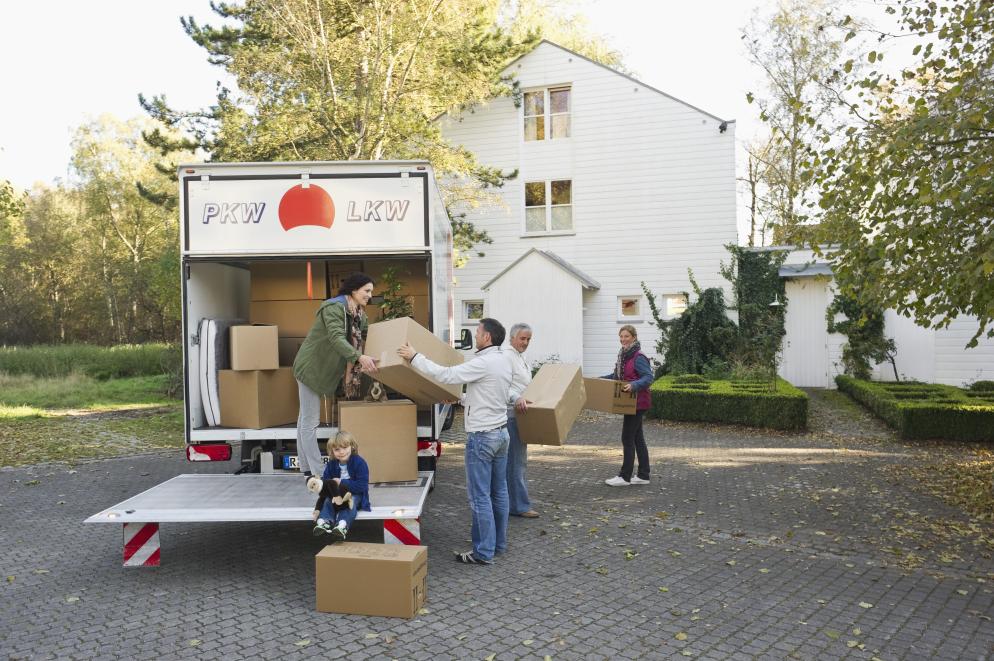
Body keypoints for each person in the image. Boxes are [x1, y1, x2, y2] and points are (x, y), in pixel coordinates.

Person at [397, 318, 512, 565]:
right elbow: (488, 393)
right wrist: (460, 400)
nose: (476, 335)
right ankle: (497, 544)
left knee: (479, 497)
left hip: (482, 437)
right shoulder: (504, 359)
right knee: (499, 492)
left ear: (487, 338)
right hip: (501, 433)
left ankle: (483, 552)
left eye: (478, 331)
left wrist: (414, 356)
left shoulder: (483, 362)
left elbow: (446, 375)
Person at [293, 273, 378, 481]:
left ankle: (305, 469)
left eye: (371, 292)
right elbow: (336, 337)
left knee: (303, 420)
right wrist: (359, 357)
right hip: (311, 368)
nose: (369, 295)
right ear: (354, 290)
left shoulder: (359, 315)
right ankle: (317, 473)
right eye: (366, 291)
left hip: (324, 371)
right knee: (309, 422)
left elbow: (370, 335)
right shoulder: (334, 308)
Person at [603, 324, 653, 487]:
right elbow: (616, 376)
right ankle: (643, 475)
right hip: (630, 403)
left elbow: (648, 377)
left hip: (638, 403)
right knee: (637, 438)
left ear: (634, 337)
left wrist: (634, 385)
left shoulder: (638, 356)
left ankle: (625, 477)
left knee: (627, 437)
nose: (623, 339)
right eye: (621, 336)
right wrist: (599, 380)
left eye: (626, 336)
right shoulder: (623, 356)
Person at [308, 431, 370, 540]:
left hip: (355, 494)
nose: (341, 452)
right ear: (332, 451)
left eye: (345, 447)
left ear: (352, 446)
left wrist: (342, 482)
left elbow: (362, 486)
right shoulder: (331, 464)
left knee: (350, 501)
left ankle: (342, 525)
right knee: (328, 500)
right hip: (336, 494)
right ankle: (324, 522)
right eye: (337, 449)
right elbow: (326, 485)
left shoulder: (360, 463)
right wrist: (318, 504)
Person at [505, 323, 539, 518]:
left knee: (516, 462)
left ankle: (512, 503)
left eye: (528, 339)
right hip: (511, 415)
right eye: (522, 338)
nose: (525, 343)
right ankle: (519, 506)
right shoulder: (507, 357)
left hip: (521, 414)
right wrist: (516, 397)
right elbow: (501, 384)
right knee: (516, 463)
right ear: (512, 338)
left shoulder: (520, 357)